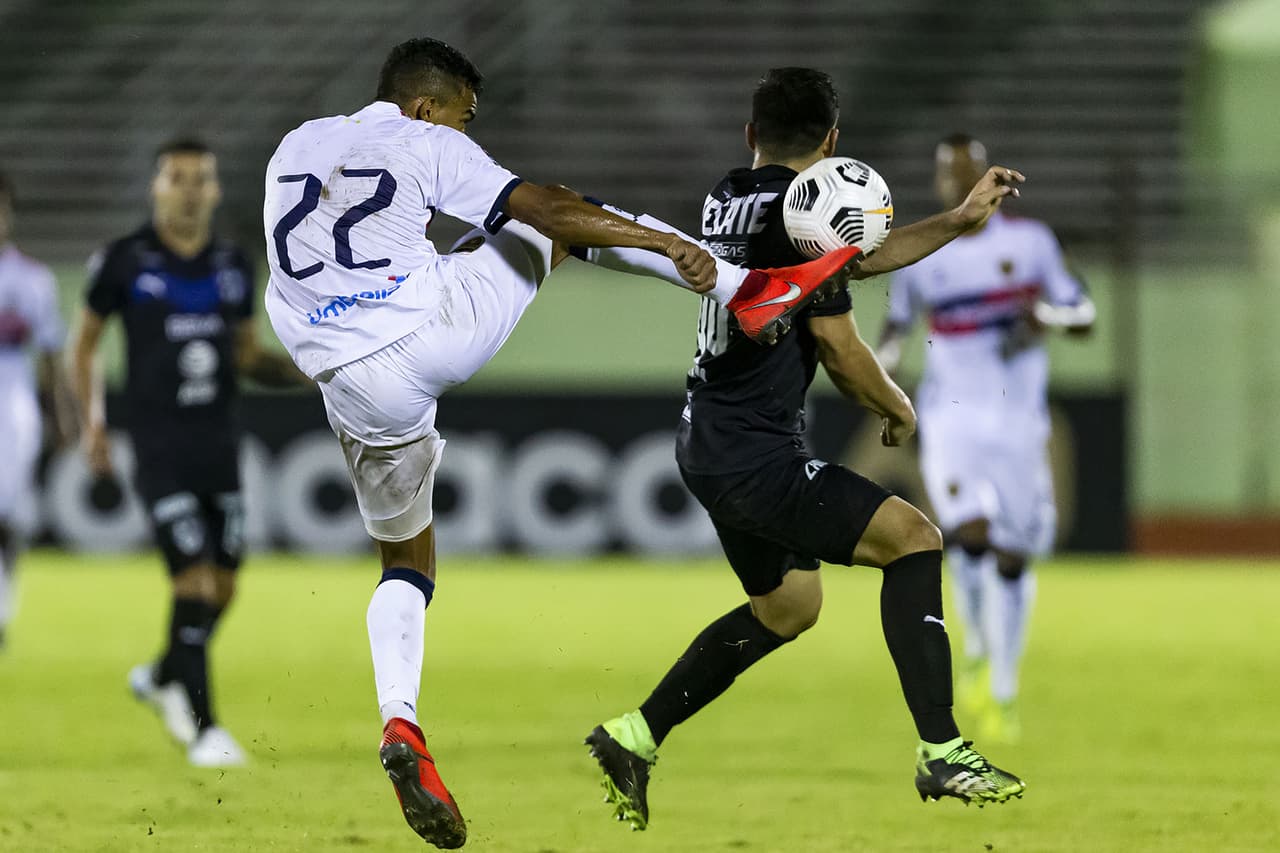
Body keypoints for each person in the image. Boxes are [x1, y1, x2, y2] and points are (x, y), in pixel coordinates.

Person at [261, 37, 860, 849]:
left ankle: (400, 721)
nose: (467, 136)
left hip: (346, 377)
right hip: (426, 334)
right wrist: (668, 246)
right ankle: (743, 286)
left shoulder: (296, 145)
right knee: (561, 214)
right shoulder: (425, 139)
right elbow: (539, 207)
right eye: (466, 119)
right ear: (429, 105)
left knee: (405, 562)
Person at [585, 68, 1028, 832]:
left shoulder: (731, 194)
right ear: (831, 143)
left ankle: (636, 734)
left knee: (789, 606)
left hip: (709, 439)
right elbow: (838, 343)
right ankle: (943, 747)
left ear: (750, 135)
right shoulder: (801, 216)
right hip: (757, 454)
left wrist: (956, 220)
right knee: (915, 539)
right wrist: (897, 404)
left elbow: (846, 260)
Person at [68, 138, 307, 767]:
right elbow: (85, 346)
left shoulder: (232, 264)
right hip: (158, 444)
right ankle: (204, 729)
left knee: (224, 587)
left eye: (202, 178)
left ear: (218, 189)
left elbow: (247, 356)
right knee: (194, 580)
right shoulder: (123, 261)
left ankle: (164, 672)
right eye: (177, 177)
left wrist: (316, 372)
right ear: (156, 187)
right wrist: (93, 423)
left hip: (217, 441)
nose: (191, 189)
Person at [877, 133, 1096, 743]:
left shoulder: (1030, 245)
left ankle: (1003, 682)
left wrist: (1045, 317)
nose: (961, 181)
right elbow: (894, 331)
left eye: (970, 171)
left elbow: (1083, 314)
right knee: (967, 532)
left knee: (1012, 553)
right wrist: (881, 369)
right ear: (940, 181)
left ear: (986, 177)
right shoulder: (924, 253)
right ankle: (980, 656)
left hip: (1019, 421)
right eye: (950, 173)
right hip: (950, 416)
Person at [0, 170, 74, 648]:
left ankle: (3, 606)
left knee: (8, 516)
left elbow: (51, 355)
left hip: (12, 410)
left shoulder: (31, 280)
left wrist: (63, 416)